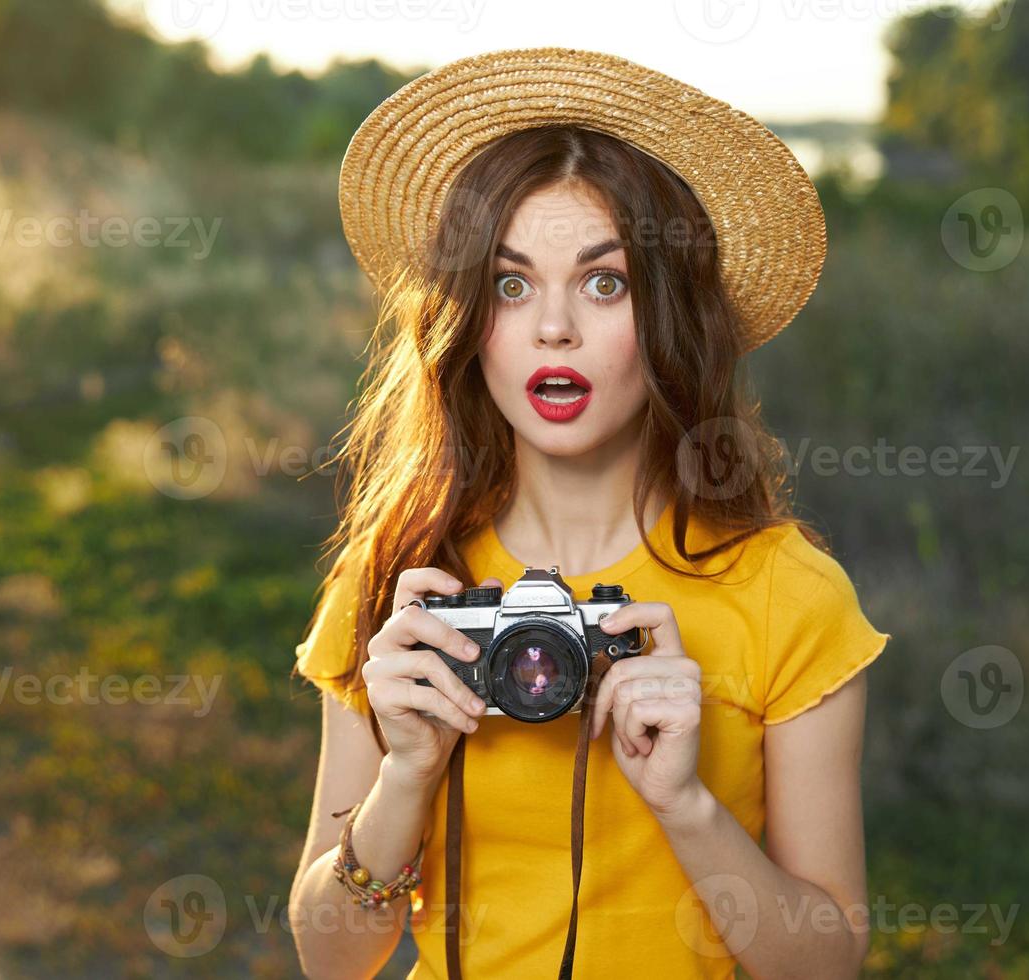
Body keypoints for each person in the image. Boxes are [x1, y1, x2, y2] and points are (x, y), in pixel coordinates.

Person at [287, 47, 891, 980]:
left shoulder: (789, 597)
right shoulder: (400, 577)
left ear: (668, 316)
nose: (553, 328)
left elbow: (825, 968)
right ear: (466, 322)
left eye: (604, 282)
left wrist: (685, 802)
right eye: (509, 283)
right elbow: (330, 960)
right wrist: (406, 776)